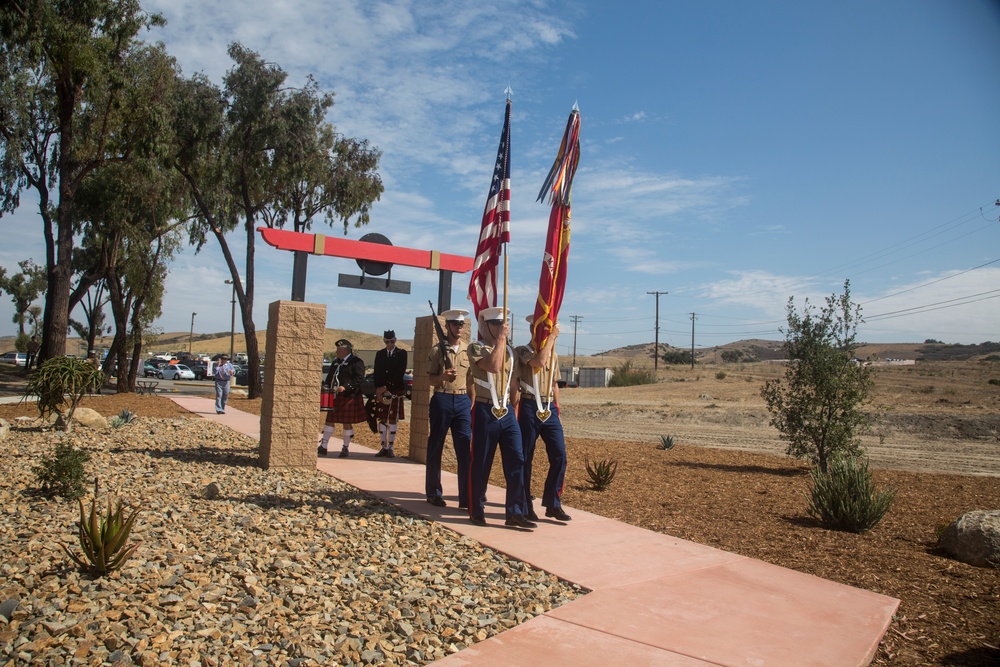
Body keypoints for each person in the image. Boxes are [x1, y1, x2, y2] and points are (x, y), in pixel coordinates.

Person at [466, 307, 533, 529]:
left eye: (502, 323)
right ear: (485, 326)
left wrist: (514, 409)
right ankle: (476, 508)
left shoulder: (512, 352)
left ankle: (515, 511)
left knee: (517, 459)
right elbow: (493, 366)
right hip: (485, 410)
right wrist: (501, 340)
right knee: (482, 462)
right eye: (495, 324)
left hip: (506, 413)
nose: (500, 327)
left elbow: (514, 384)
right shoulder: (476, 347)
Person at [514, 319, 571, 522]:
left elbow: (555, 383)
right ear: (532, 329)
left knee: (559, 454)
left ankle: (553, 503)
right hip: (529, 405)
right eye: (542, 329)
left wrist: (558, 408)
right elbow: (538, 362)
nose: (546, 333)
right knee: (526, 457)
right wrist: (553, 337)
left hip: (549, 408)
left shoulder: (553, 354)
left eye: (549, 330)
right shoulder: (522, 351)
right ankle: (525, 504)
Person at [425, 309, 472, 508]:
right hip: (442, 399)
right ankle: (434, 492)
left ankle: (466, 496)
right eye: (455, 324)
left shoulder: (468, 350)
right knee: (435, 447)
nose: (459, 328)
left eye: (461, 324)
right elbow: (430, 378)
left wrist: (472, 401)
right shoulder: (436, 351)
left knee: (465, 450)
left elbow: (470, 379)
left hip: (462, 401)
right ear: (447, 326)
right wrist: (443, 378)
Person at [319, 339, 367, 458]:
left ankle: (345, 448)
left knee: (346, 422)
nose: (336, 352)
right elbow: (330, 377)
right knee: (329, 420)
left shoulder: (356, 362)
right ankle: (323, 446)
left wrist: (345, 387)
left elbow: (359, 378)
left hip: (349, 396)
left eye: (338, 350)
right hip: (335, 397)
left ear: (345, 350)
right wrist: (325, 385)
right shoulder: (335, 362)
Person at [373, 329, 408, 458]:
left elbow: (400, 372)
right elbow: (377, 372)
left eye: (391, 341)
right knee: (382, 419)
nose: (389, 344)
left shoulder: (401, 353)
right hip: (382, 390)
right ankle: (383, 446)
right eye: (387, 342)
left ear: (395, 340)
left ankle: (391, 448)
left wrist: (386, 387)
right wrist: (378, 389)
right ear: (384, 341)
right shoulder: (380, 354)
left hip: (395, 390)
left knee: (392, 419)